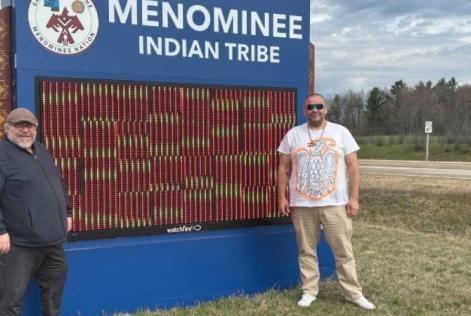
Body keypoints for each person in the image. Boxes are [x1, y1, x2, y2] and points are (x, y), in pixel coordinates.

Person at [277, 94, 375, 310]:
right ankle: (309, 291)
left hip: (335, 204)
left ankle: (354, 294)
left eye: (319, 106)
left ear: (326, 109)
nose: (315, 109)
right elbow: (283, 168)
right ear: (304, 110)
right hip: (302, 205)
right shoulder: (293, 135)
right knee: (306, 250)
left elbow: (353, 167)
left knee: (343, 251)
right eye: (310, 106)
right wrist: (282, 196)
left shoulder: (341, 132)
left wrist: (354, 197)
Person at [0, 108, 72, 315]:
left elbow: (58, 183)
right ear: (8, 129)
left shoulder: (42, 150)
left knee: (54, 292)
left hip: (52, 241)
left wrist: (67, 212)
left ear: (36, 129)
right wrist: (1, 230)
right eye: (19, 126)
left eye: (29, 126)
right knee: (10, 298)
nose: (25, 130)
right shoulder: (2, 155)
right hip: (19, 245)